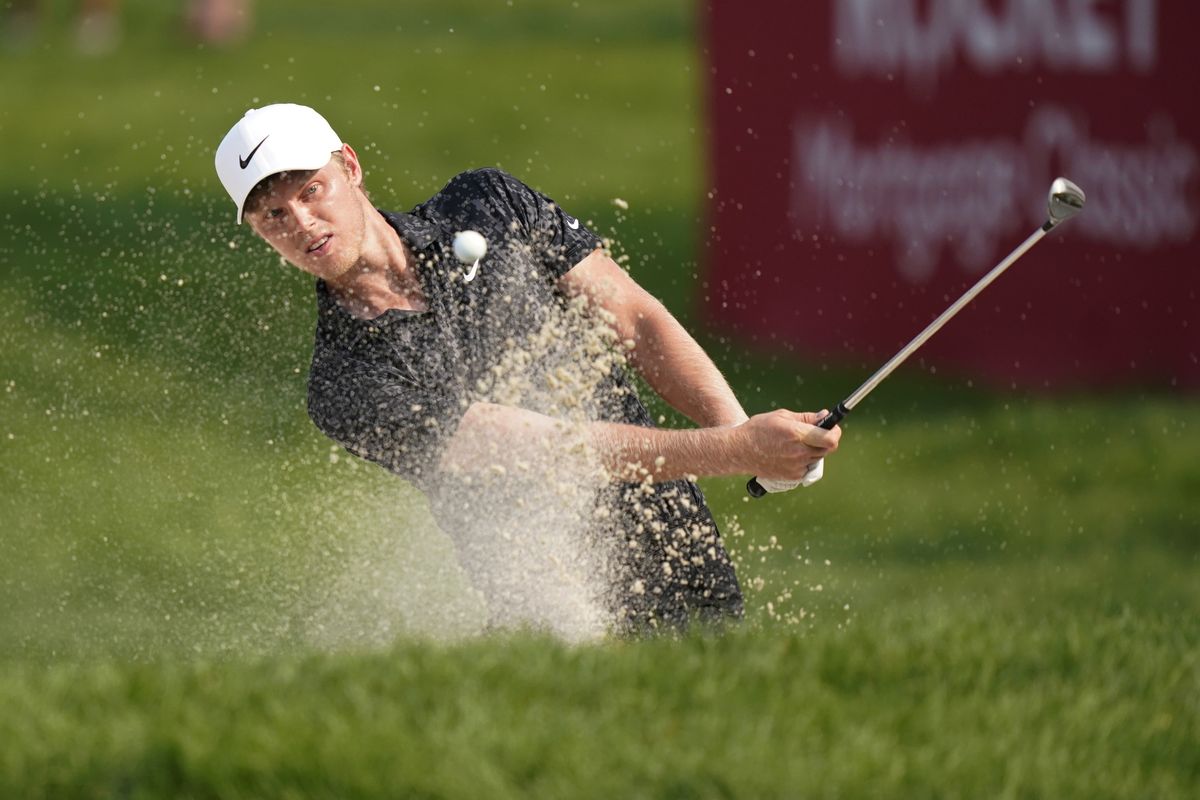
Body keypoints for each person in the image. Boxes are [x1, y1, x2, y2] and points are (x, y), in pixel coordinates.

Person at [214, 104, 841, 635]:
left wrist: (744, 434)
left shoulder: (487, 203)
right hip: (558, 611)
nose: (301, 223)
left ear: (349, 166)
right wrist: (736, 448)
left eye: (310, 190)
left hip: (677, 544)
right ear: (260, 234)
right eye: (273, 216)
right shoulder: (344, 383)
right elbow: (551, 451)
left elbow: (631, 317)